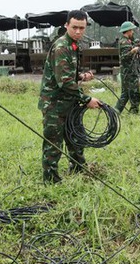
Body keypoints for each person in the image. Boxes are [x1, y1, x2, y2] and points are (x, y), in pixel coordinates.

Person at [38, 10, 100, 184]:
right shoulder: (62, 47)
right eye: (75, 27)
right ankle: (51, 181)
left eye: (82, 28)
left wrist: (81, 76)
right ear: (66, 26)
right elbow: (64, 82)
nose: (79, 31)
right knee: (54, 143)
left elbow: (66, 74)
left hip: (69, 102)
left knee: (75, 137)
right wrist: (87, 99)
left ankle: (79, 169)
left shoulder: (73, 45)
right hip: (54, 104)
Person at [115, 21, 140, 114]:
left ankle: (116, 111)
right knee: (134, 93)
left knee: (125, 93)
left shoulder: (127, 41)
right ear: (128, 31)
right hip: (129, 72)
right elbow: (124, 57)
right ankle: (133, 111)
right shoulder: (124, 42)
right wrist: (133, 51)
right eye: (131, 30)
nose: (132, 32)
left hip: (128, 71)